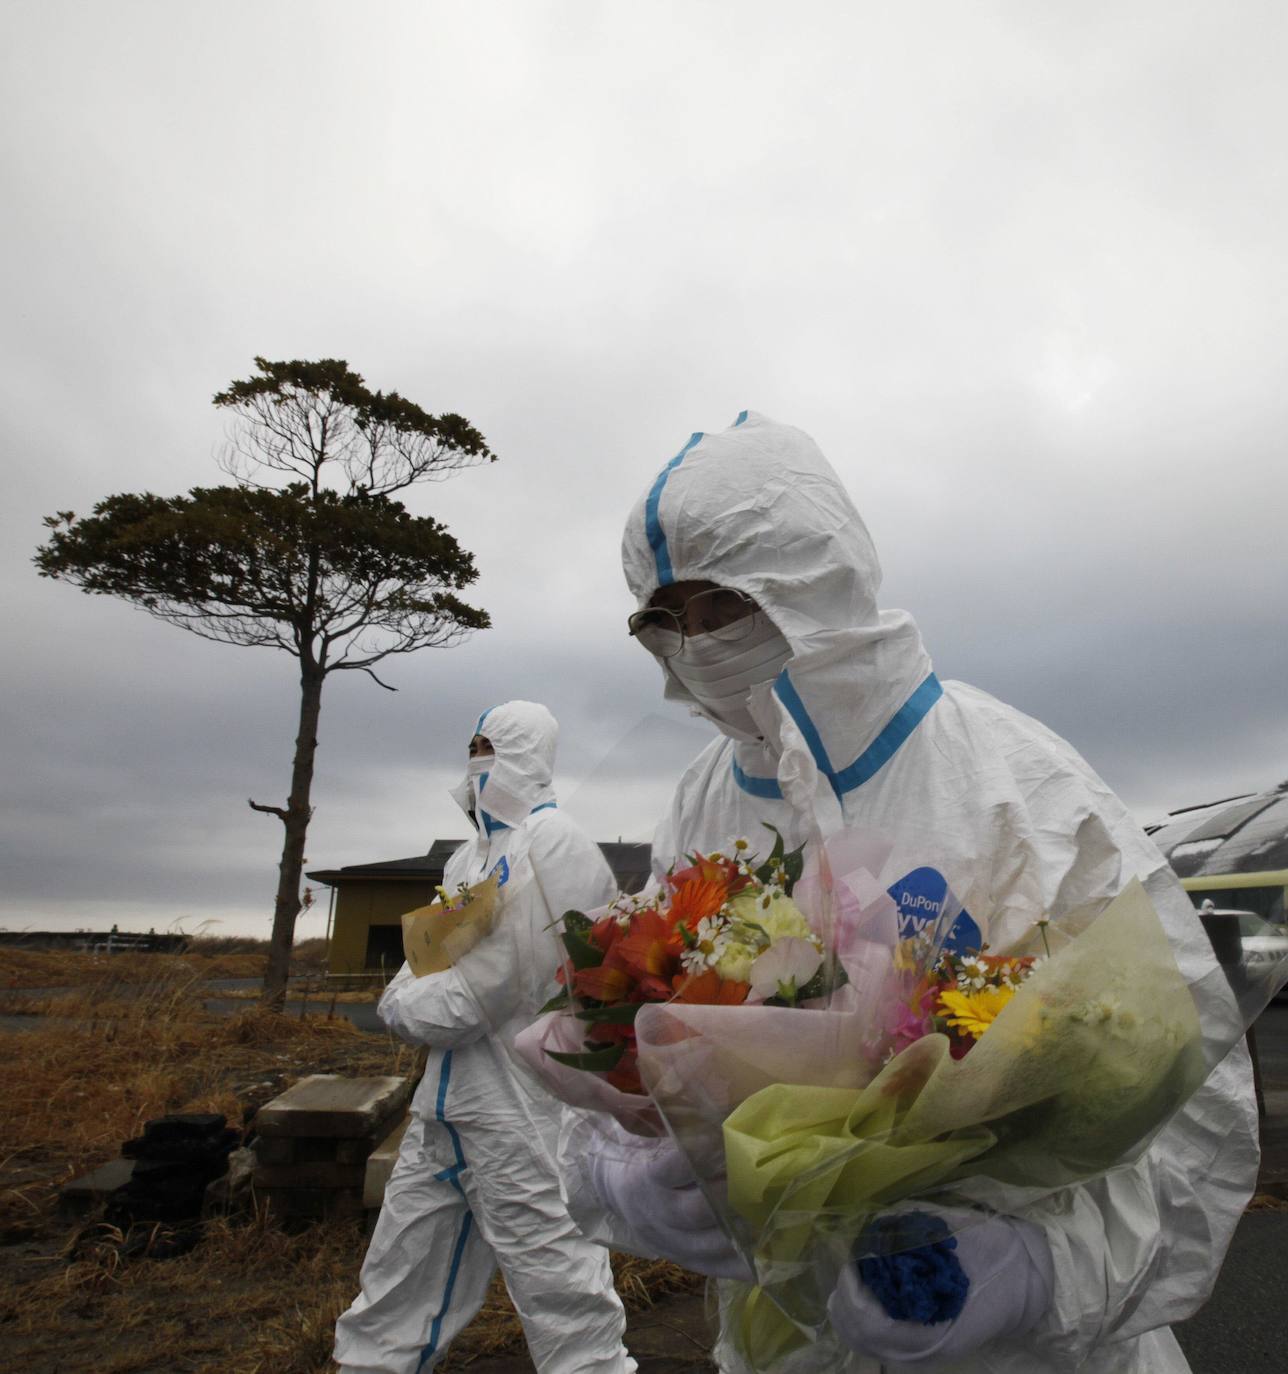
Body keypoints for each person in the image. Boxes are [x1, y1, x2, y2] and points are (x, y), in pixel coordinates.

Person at [566, 412, 1258, 1373]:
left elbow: (1189, 1112)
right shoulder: (705, 795)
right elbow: (635, 1035)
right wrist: (616, 1172)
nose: (694, 643)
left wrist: (1036, 1267)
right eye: (663, 619)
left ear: (814, 580)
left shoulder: (1020, 785)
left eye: (720, 606)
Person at [333, 700, 636, 1374]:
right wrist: (411, 991)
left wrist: (400, 1001)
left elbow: (476, 995)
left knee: (563, 1294)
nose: (476, 760)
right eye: (471, 745)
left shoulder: (553, 844)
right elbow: (431, 961)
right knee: (395, 1281)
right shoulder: (471, 856)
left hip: (521, 1111)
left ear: (525, 751)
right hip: (441, 1108)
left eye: (489, 745)